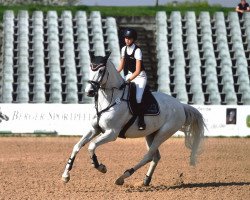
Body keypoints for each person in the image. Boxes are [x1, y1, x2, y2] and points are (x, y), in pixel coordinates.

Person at [117, 28, 147, 130]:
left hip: (140, 77)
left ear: (133, 39)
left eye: (129, 39)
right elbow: (120, 67)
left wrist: (128, 81)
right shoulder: (123, 49)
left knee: (138, 98)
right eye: (126, 38)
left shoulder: (137, 50)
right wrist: (113, 74)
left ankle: (141, 121)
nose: (127, 40)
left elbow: (138, 70)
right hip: (129, 75)